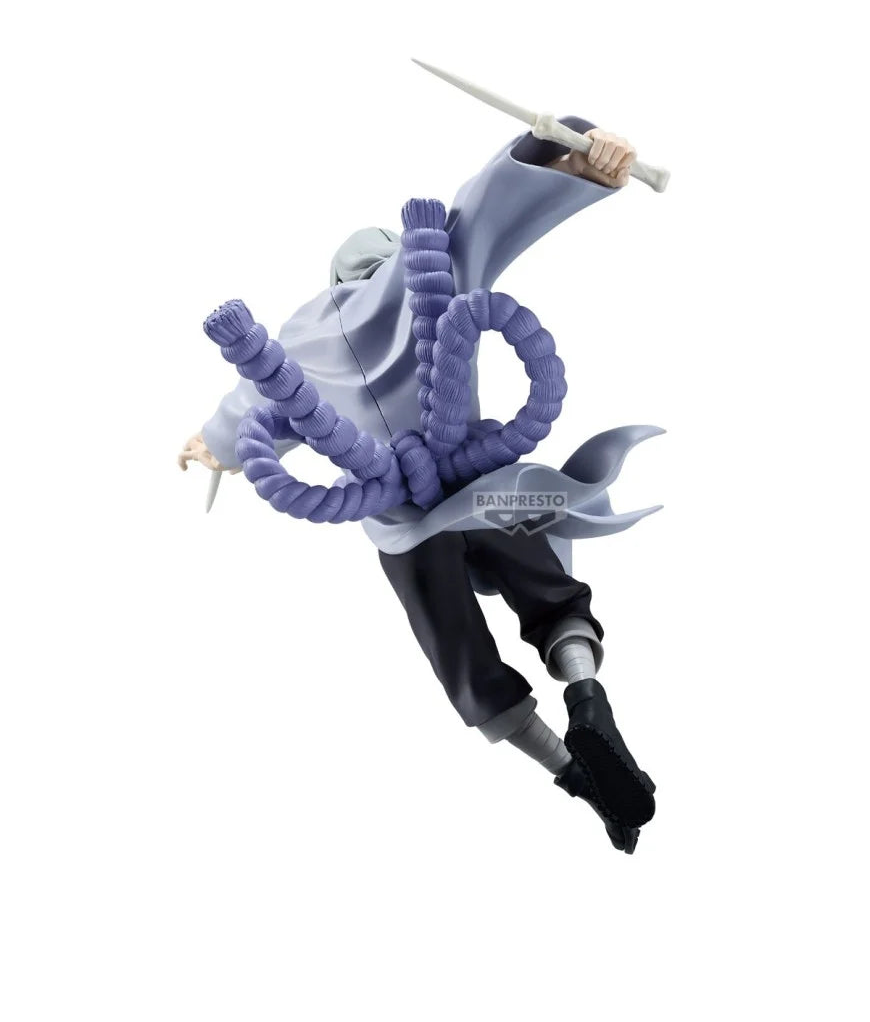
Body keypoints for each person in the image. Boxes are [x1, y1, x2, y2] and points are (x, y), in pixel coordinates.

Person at [179, 120, 658, 853]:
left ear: (333, 279)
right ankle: (587, 695)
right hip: (480, 481)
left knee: (462, 657)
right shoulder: (425, 265)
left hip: (401, 522)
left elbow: (251, 409)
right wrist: (571, 155)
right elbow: (486, 204)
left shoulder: (297, 339)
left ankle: (576, 777)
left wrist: (210, 448)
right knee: (551, 593)